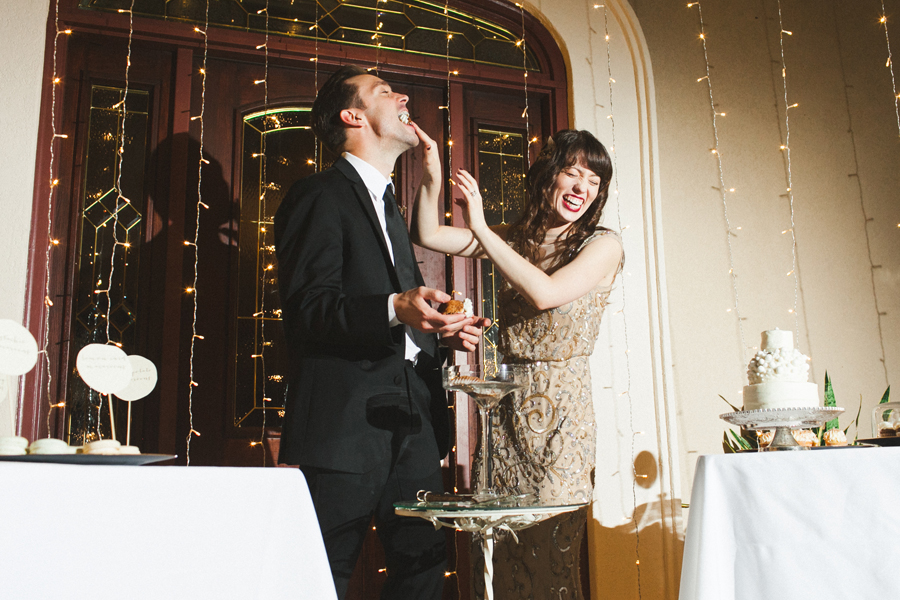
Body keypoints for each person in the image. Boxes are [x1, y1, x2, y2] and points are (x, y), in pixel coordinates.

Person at [274, 65, 488, 600]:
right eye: (385, 91)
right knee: (318, 578)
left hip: (416, 424)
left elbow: (400, 319)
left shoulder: (389, 203)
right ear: (353, 116)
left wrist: (440, 332)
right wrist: (397, 305)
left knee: (422, 578)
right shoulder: (319, 195)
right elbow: (309, 310)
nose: (402, 96)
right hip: (344, 430)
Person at [411, 129, 624, 599]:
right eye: (572, 173)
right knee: (497, 550)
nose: (581, 189)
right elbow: (425, 233)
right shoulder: (518, 239)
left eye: (593, 181)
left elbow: (545, 294)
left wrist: (483, 228)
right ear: (548, 177)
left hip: (562, 420)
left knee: (551, 554)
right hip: (504, 411)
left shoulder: (604, 245)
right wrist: (432, 175)